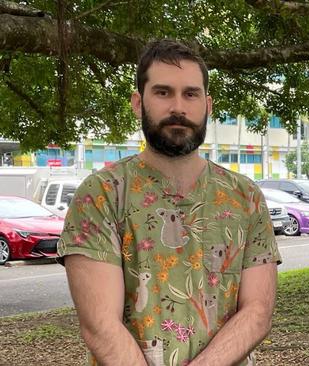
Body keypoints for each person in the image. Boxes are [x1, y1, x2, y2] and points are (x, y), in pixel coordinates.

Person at [57, 39, 281, 366]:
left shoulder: (245, 197)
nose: (178, 107)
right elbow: (100, 325)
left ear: (208, 104)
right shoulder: (101, 194)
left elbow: (258, 311)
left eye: (191, 94)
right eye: (163, 92)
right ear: (138, 103)